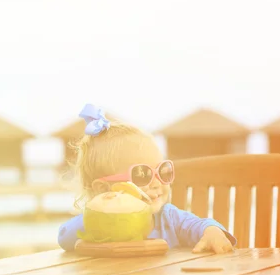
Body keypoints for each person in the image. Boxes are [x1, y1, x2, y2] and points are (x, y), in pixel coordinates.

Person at [57, 104, 236, 253]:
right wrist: (98, 214)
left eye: (163, 171)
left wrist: (212, 231)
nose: (157, 182)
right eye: (142, 174)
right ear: (104, 190)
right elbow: (64, 237)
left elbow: (199, 224)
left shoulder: (168, 219)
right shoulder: (94, 224)